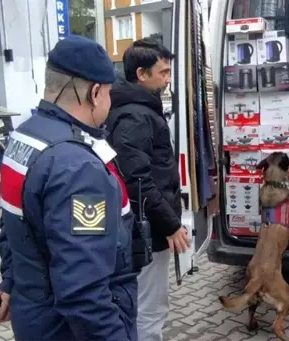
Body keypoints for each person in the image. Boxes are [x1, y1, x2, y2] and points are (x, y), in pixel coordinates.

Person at [0, 35, 138, 340]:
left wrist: (11, 281)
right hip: (66, 328)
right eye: (109, 92)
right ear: (95, 93)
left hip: (35, 313)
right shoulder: (77, 167)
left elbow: (14, 225)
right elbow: (83, 290)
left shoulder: (24, 137)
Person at [106, 38, 188, 341]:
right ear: (141, 74)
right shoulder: (135, 115)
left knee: (147, 305)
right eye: (163, 73)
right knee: (149, 308)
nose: (167, 79)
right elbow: (137, 178)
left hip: (148, 225)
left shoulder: (137, 109)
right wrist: (169, 224)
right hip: (148, 231)